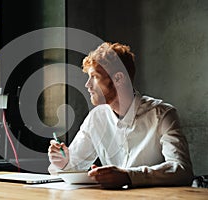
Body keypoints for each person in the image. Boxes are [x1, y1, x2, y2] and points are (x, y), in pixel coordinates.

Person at [47, 42, 194, 188]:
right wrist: (63, 162)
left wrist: (129, 176)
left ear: (118, 78)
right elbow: (74, 167)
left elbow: (182, 170)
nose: (87, 85)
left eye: (94, 77)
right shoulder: (96, 117)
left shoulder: (163, 115)